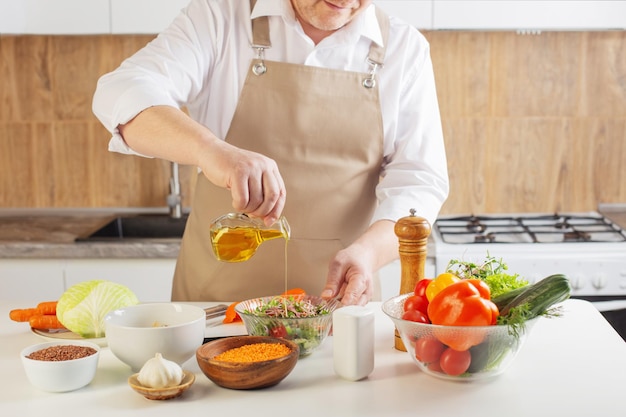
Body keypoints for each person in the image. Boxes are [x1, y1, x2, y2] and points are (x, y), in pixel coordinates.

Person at [92, 0, 449, 305]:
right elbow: (121, 92)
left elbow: (418, 183)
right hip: (216, 312)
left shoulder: (404, 48)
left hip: (337, 314)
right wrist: (210, 149)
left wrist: (368, 254)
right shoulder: (219, 18)